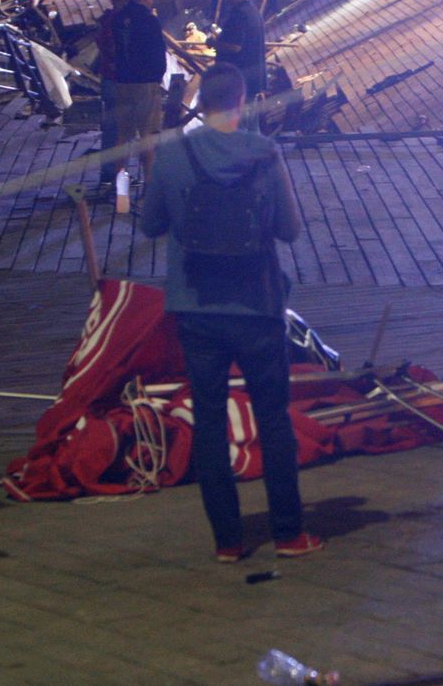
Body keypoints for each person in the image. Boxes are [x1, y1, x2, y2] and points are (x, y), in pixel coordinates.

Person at [139, 62, 320, 563]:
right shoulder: (264, 154)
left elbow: (149, 225)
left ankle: (228, 541)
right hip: (257, 307)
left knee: (211, 422)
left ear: (202, 102)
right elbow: (290, 230)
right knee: (274, 421)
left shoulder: (174, 155)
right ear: (243, 102)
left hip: (195, 308)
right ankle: (288, 534)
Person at [113, 0, 168, 183]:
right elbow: (157, 53)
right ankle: (149, 185)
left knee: (123, 135)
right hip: (145, 83)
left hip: (123, 81)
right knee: (147, 136)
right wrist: (158, 77)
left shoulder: (119, 18)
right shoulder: (149, 20)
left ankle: (120, 186)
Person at [212, 0, 267, 103]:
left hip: (238, 80)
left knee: (238, 121)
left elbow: (235, 47)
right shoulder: (253, 11)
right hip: (249, 80)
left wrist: (213, 43)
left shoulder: (239, 14)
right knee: (248, 121)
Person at [94, 0, 130, 173]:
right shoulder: (116, 24)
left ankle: (112, 171)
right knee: (117, 128)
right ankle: (112, 171)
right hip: (116, 80)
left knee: (113, 128)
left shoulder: (107, 21)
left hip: (110, 78)